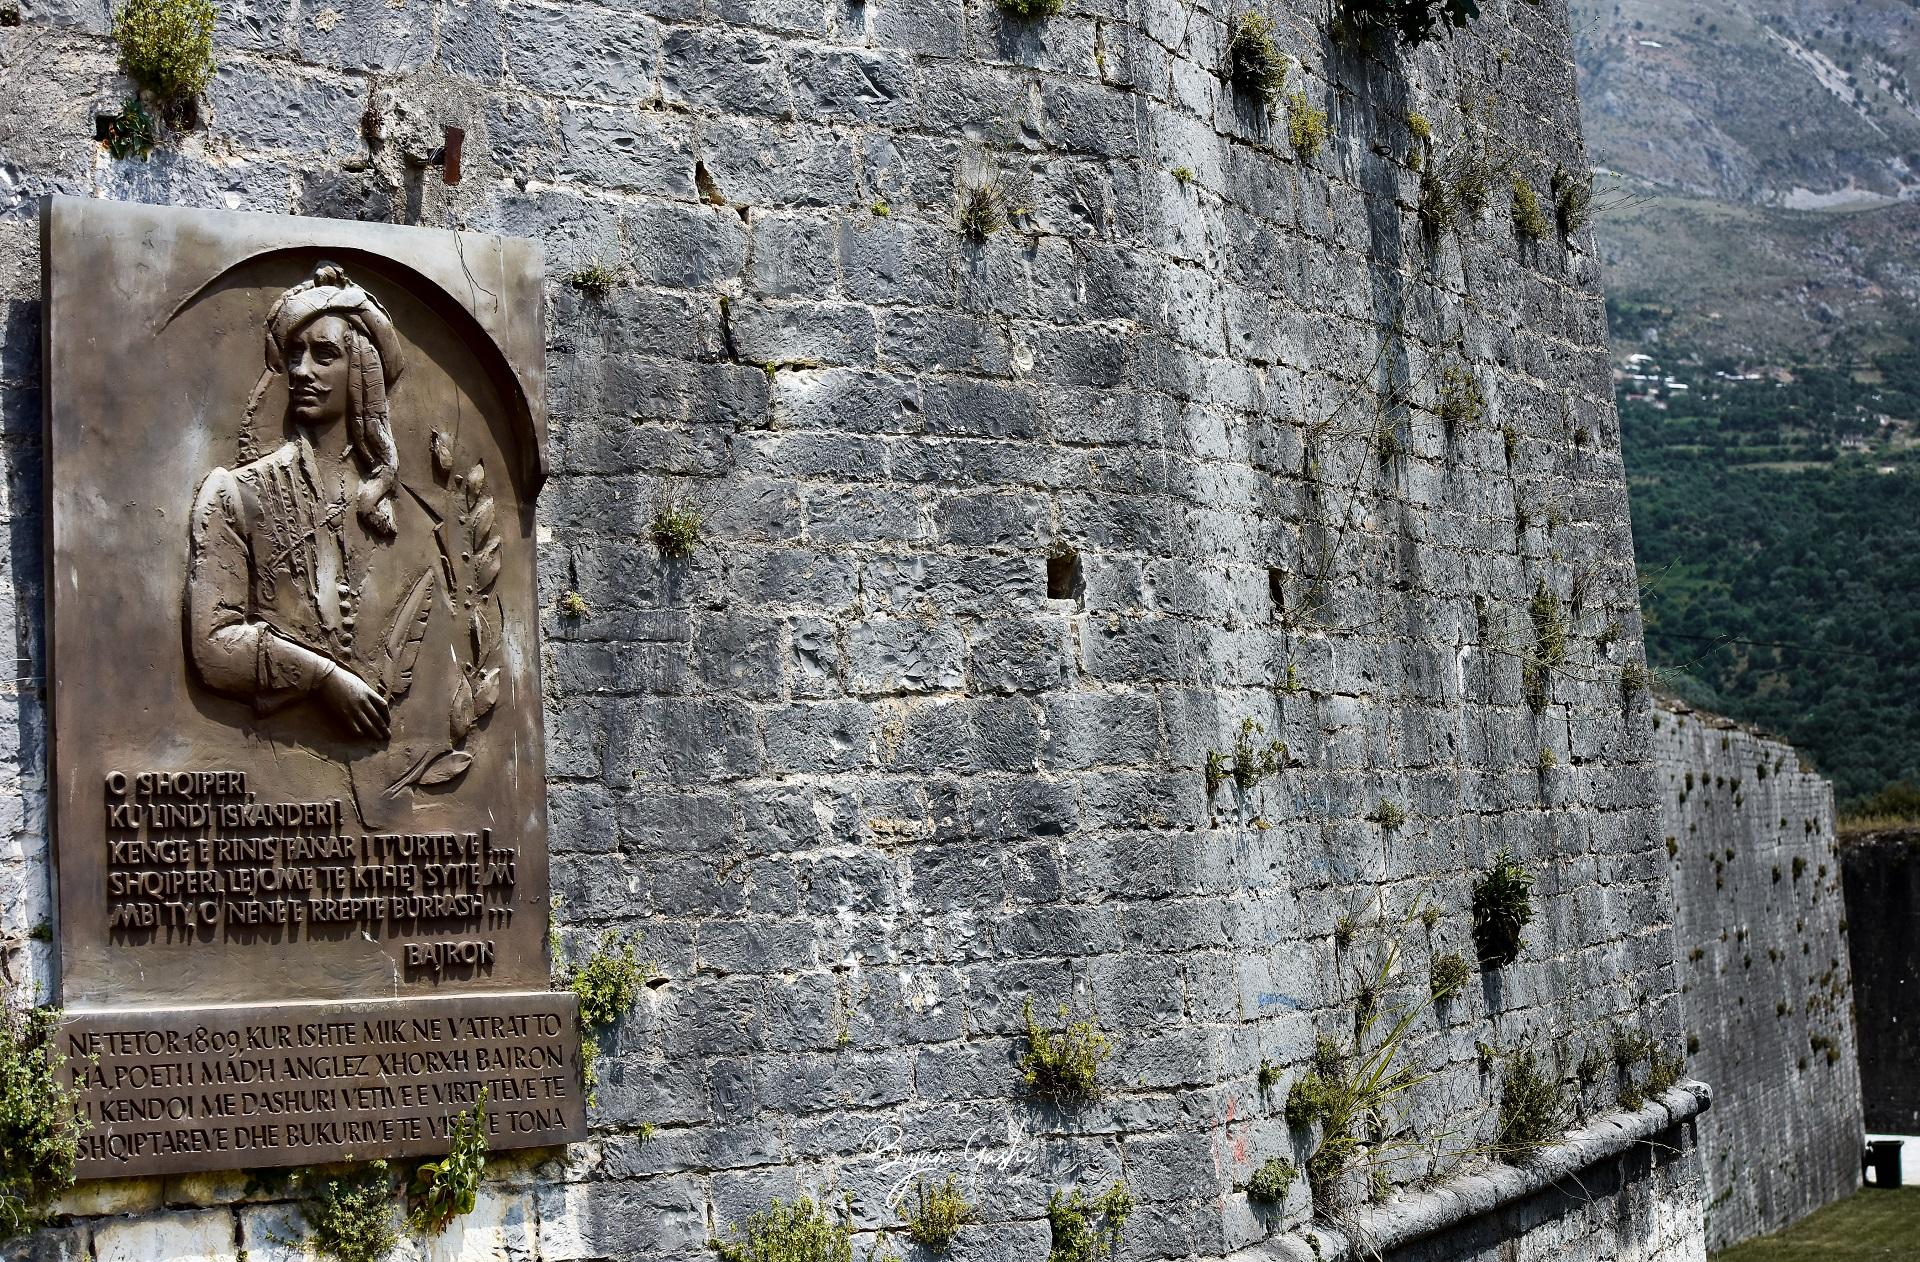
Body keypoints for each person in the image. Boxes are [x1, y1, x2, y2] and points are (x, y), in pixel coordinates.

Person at [186, 263, 409, 741]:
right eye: (294, 355)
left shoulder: (404, 510)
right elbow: (213, 649)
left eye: (324, 355)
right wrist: (321, 678)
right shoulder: (235, 495)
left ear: (361, 375)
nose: (301, 371)